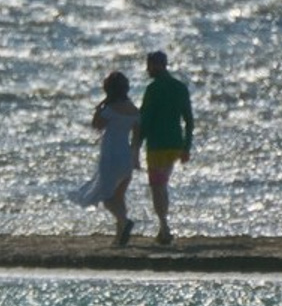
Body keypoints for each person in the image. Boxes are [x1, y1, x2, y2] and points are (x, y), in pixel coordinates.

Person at [133, 50, 193, 246]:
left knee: (157, 186)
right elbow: (189, 120)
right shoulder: (179, 87)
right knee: (162, 184)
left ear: (156, 65)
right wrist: (186, 146)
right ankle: (163, 227)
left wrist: (136, 145)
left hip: (157, 145)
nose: (148, 69)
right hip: (175, 143)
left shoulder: (154, 89)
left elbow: (145, 119)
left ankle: (164, 226)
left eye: (149, 65)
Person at [73, 70, 140, 246]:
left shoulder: (109, 109)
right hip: (126, 155)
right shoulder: (134, 110)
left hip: (111, 155)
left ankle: (124, 222)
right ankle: (120, 236)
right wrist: (135, 157)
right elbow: (137, 136)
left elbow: (97, 126)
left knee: (107, 196)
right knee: (119, 195)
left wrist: (98, 110)